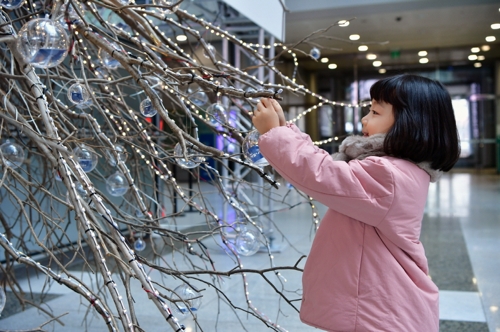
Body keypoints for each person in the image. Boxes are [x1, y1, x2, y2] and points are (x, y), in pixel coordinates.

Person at [252, 74, 460, 332]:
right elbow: (327, 169)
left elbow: (322, 175)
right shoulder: (400, 170)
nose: (364, 118)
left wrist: (275, 133)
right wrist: (283, 130)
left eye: (374, 111)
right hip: (383, 306)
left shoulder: (388, 175)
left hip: (380, 311)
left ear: (409, 122)